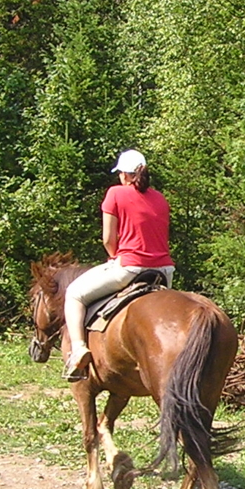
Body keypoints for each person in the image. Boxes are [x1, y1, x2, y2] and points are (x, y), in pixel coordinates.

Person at [62, 150, 175, 382]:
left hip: (130, 268)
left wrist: (115, 257)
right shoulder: (160, 199)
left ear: (124, 175)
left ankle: (79, 349)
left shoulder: (115, 193)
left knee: (74, 294)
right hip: (164, 272)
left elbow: (107, 239)